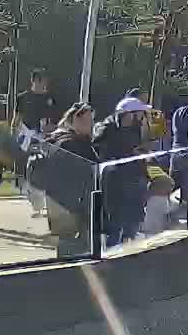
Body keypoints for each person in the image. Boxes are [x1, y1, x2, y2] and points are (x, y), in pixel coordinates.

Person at [41, 104, 100, 256]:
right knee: (73, 248)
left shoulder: (63, 139)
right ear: (75, 121)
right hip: (71, 206)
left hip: (61, 204)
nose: (91, 125)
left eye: (92, 121)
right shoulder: (70, 144)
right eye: (87, 121)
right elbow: (83, 175)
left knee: (68, 245)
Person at [95, 99, 152, 245]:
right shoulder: (107, 128)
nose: (143, 116)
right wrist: (129, 152)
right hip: (116, 180)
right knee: (115, 220)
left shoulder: (136, 128)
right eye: (140, 113)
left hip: (134, 177)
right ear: (129, 114)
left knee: (133, 217)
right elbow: (102, 152)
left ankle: (129, 241)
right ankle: (112, 248)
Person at [14, 70, 57, 217]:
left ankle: (40, 202)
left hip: (42, 138)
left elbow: (50, 121)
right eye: (43, 80)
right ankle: (33, 199)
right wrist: (15, 134)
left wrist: (49, 131)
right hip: (25, 137)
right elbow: (17, 119)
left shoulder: (49, 98)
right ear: (35, 81)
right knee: (26, 169)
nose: (46, 84)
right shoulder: (22, 97)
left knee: (41, 167)